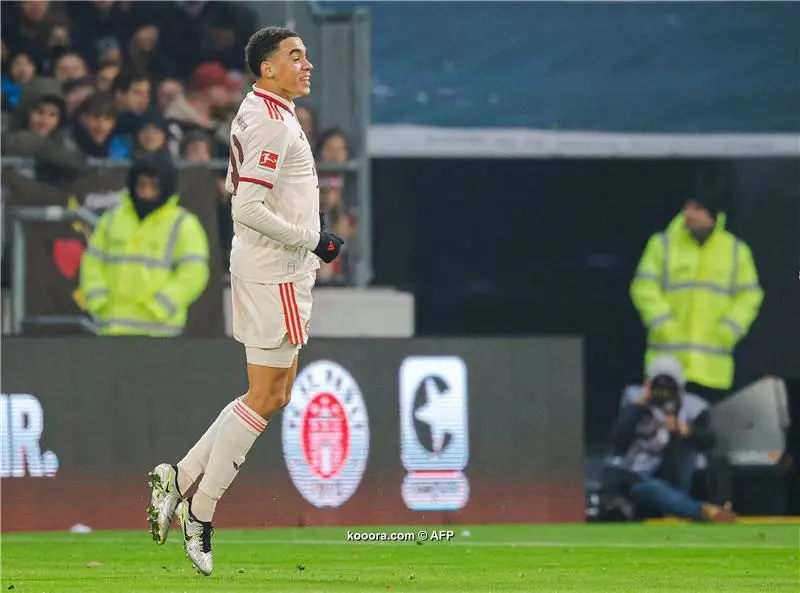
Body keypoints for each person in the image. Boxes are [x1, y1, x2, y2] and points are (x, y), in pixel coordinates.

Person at [146, 26, 344, 576]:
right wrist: (315, 240)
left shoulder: (264, 110)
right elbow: (247, 207)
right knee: (263, 394)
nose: (307, 66)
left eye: (306, 56)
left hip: (281, 270)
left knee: (275, 393)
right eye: (295, 57)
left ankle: (179, 478)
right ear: (266, 69)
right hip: (274, 270)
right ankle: (199, 510)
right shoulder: (271, 124)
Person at [630, 191, 763, 404]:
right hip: (667, 366)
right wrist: (663, 324)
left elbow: (750, 296)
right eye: (687, 206)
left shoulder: (736, 250)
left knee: (704, 433)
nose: (689, 213)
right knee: (664, 430)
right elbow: (643, 287)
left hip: (712, 370)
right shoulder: (662, 244)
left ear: (713, 216)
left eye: (697, 208)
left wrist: (729, 329)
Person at [79, 153, 210, 336]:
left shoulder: (183, 224)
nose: (146, 193)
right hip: (112, 329)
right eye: (141, 185)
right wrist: (99, 301)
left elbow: (193, 274)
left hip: (160, 331)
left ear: (166, 188)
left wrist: (162, 305)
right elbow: (92, 263)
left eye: (154, 187)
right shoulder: (112, 219)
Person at [600, 356, 736, 522]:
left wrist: (685, 432)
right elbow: (617, 441)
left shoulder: (692, 407)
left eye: (669, 388)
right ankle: (700, 511)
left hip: (673, 475)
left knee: (677, 468)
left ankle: (691, 505)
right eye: (659, 387)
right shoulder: (633, 399)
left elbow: (710, 442)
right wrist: (638, 407)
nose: (663, 394)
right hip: (635, 478)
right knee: (651, 488)